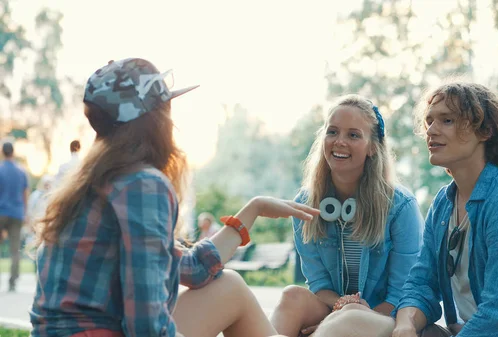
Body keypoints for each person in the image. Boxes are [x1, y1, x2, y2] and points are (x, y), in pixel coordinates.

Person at [29, 58, 319, 337]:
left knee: (229, 285)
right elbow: (145, 326)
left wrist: (254, 208)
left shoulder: (93, 183)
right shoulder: (141, 185)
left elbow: (193, 268)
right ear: (155, 119)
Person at [313, 81, 498, 337]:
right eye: (429, 121)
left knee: (350, 325)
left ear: (486, 131)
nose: (431, 131)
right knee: (352, 319)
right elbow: (421, 285)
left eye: (447, 120)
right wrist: (405, 325)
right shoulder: (444, 203)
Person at [269, 94, 424, 336]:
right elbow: (318, 285)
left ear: (373, 146)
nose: (339, 141)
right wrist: (342, 308)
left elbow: (403, 294)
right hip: (337, 309)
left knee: (350, 318)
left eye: (353, 135)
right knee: (292, 296)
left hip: (384, 314)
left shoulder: (401, 207)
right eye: (332, 132)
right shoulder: (304, 205)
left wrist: (351, 314)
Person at [0, 141, 29, 292]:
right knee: (14, 248)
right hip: (17, 213)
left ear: (2, 152)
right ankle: (12, 281)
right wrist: (25, 213)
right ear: (13, 152)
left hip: (1, 212)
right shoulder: (21, 171)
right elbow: (25, 194)